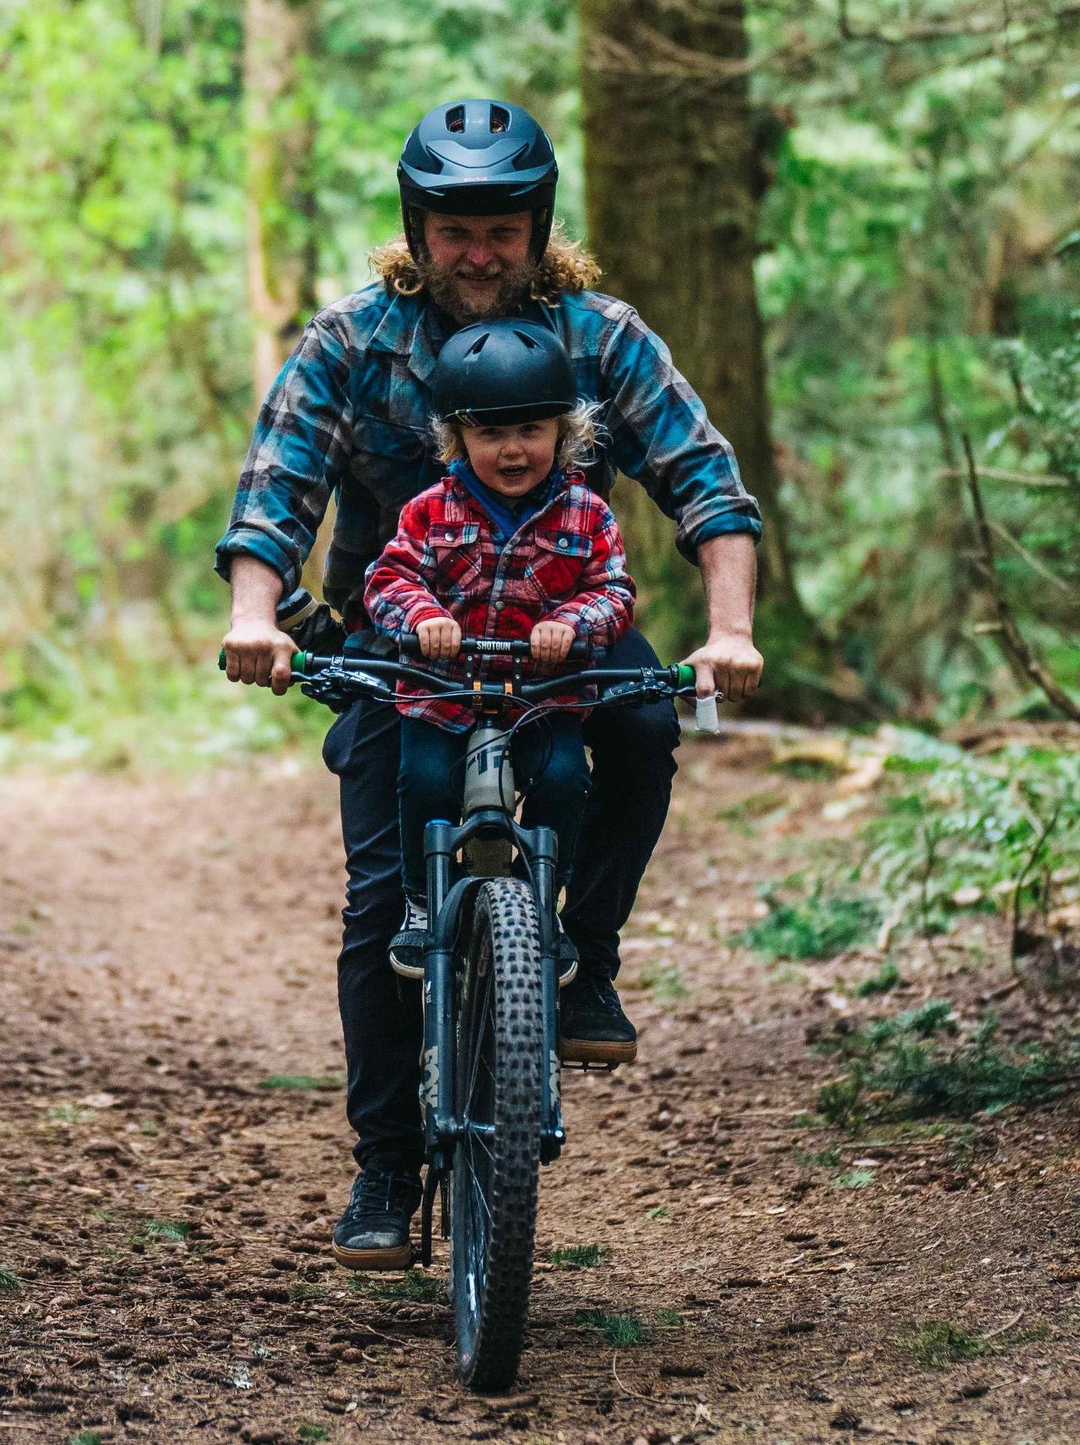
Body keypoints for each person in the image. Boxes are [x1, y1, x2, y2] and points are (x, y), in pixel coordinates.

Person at [217, 97, 764, 1270]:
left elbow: (706, 484)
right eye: (453, 230)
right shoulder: (353, 340)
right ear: (416, 230)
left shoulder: (604, 336)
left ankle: (583, 961)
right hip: (402, 647)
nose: (476, 252)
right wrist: (255, 616)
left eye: (500, 229)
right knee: (379, 899)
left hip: (564, 637)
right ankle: (384, 1161)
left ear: (538, 225)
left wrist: (728, 631)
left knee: (646, 730)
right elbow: (277, 488)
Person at [362, 318, 635, 980]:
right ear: (456, 439)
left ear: (563, 435)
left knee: (565, 779)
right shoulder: (429, 511)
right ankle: (423, 903)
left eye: (529, 431)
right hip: (444, 696)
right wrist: (423, 615)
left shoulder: (587, 514)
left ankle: (541, 905)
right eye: (489, 433)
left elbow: (614, 592)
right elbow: (388, 578)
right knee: (423, 779)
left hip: (543, 698)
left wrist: (572, 624)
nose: (512, 450)